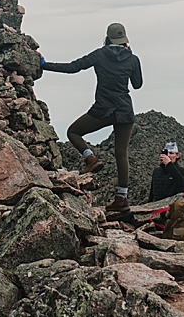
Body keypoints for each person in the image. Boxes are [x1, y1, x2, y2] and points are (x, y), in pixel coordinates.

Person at [40, 22, 143, 210]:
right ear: (124, 40)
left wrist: (45, 65)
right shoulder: (133, 59)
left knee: (73, 132)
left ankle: (90, 158)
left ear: (108, 38)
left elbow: (73, 67)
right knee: (122, 154)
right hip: (125, 111)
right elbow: (137, 84)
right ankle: (121, 199)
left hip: (103, 110)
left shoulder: (100, 54)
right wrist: (131, 59)